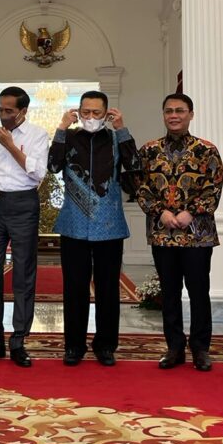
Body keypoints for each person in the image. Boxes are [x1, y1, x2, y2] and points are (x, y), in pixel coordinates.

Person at [48, 91, 139, 367]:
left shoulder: (115, 138)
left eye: (96, 113)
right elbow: (52, 166)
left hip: (109, 225)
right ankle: (74, 346)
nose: (90, 117)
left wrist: (122, 130)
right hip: (73, 224)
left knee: (108, 289)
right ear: (78, 112)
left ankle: (106, 345)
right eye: (85, 112)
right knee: (74, 288)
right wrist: (61, 128)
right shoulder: (69, 137)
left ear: (106, 114)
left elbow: (135, 167)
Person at [137, 93, 223, 372]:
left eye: (180, 110)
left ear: (191, 114)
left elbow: (214, 187)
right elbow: (140, 187)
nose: (174, 115)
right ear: (163, 115)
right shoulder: (149, 151)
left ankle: (200, 348)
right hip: (163, 234)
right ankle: (174, 347)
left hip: (197, 235)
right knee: (169, 293)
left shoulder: (206, 150)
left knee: (199, 292)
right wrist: (160, 211)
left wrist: (191, 212)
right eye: (169, 111)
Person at [0, 86, 49, 368]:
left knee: (23, 271)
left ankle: (18, 340)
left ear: (23, 111)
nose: (3, 115)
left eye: (9, 111)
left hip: (24, 203)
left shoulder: (38, 135)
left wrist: (11, 146)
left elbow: (38, 173)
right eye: (0, 109)